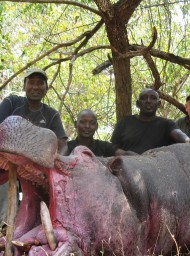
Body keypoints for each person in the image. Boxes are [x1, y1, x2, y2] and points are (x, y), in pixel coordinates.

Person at [0, 68, 68, 228]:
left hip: (35, 170)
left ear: (46, 88)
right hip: (6, 164)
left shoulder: (51, 114)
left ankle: (39, 225)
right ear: (24, 86)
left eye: (40, 83)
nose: (35, 87)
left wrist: (57, 162)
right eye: (31, 83)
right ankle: (4, 225)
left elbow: (63, 143)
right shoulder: (12, 103)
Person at [111, 88, 190, 154]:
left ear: (159, 104)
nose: (148, 101)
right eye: (144, 98)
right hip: (127, 168)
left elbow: (177, 134)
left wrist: (188, 141)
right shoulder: (125, 122)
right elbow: (113, 148)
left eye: (153, 98)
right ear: (138, 104)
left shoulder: (167, 124)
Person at [67, 109, 135, 156]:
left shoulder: (104, 147)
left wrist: (142, 159)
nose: (87, 126)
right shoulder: (67, 147)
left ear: (96, 126)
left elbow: (124, 154)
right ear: (76, 124)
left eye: (92, 123)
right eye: (82, 122)